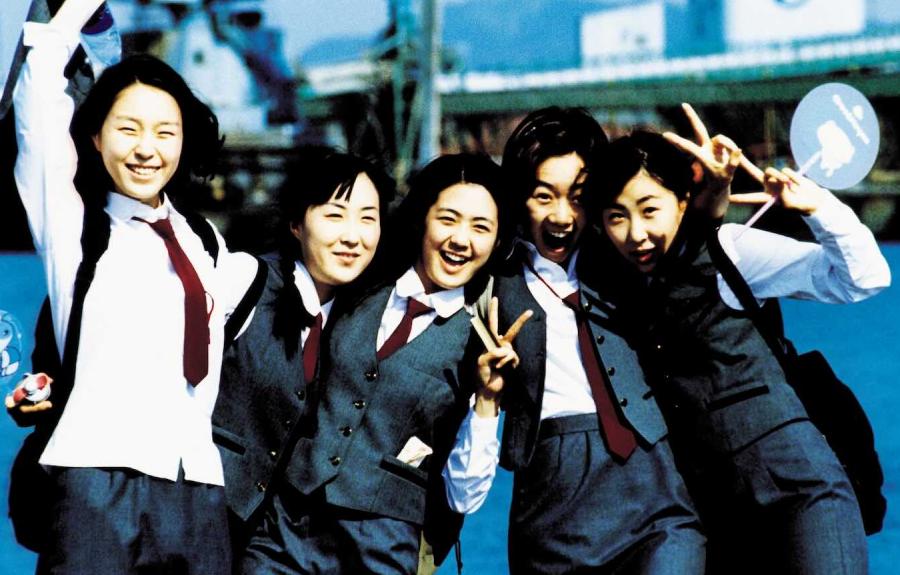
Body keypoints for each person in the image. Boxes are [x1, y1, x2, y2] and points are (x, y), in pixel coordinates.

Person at [10, 0, 258, 572]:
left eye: (164, 131)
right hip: (97, 481)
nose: (147, 147)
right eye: (128, 129)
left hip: (197, 484)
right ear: (94, 138)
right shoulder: (74, 226)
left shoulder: (207, 243)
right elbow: (37, 110)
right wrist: (76, 14)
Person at [593, 123, 890, 573]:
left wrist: (817, 206)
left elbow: (863, 278)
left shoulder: (730, 250)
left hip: (803, 494)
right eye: (617, 216)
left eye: (649, 209)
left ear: (680, 201)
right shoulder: (622, 288)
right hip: (722, 520)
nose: (636, 233)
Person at [444, 106, 707, 574]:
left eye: (579, 197)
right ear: (519, 198)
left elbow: (699, 265)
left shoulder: (630, 257)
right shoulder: (488, 285)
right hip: (553, 506)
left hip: (655, 488)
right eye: (543, 196)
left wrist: (715, 197)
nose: (562, 216)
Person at [238, 153, 526, 574]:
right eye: (448, 219)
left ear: (498, 242)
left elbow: (464, 496)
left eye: (480, 227)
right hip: (286, 532)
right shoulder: (354, 283)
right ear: (421, 220)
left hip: (383, 549)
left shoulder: (478, 347)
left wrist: (486, 400)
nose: (461, 239)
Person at [212, 147, 394, 547]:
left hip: (277, 546)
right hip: (200, 516)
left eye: (368, 218)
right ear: (297, 223)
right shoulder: (245, 280)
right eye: (334, 215)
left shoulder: (364, 319)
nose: (352, 236)